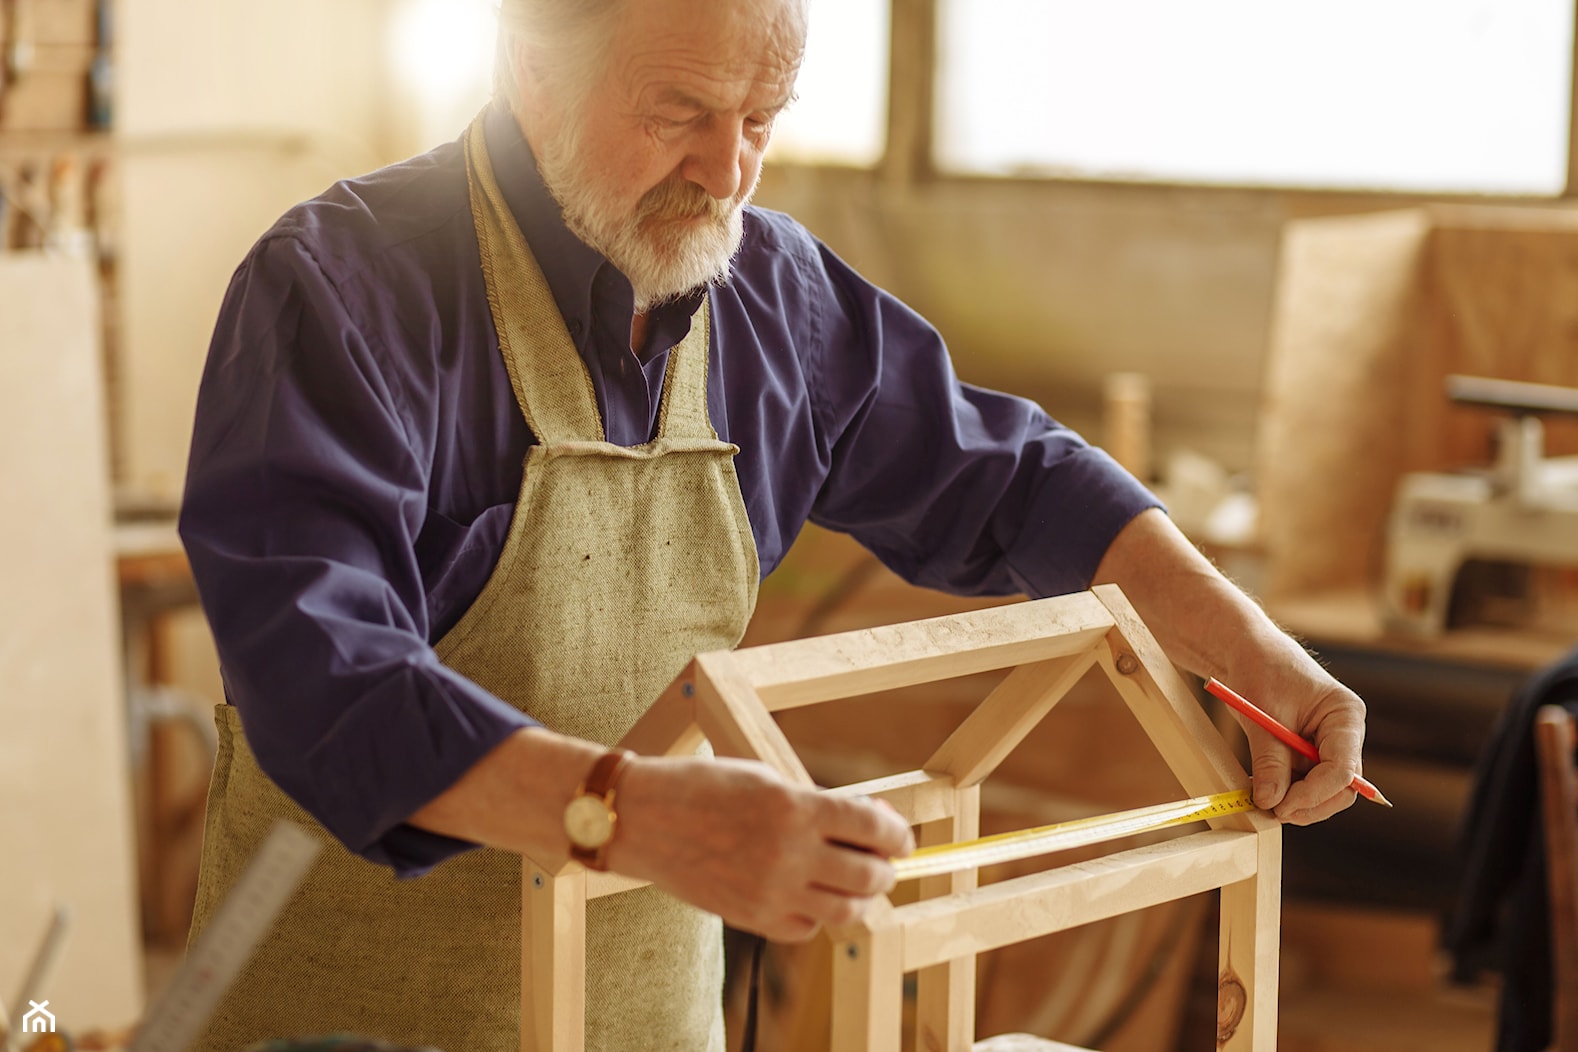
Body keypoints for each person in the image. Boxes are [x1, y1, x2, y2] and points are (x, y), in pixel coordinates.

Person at [177, 0, 1369, 1049]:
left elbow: (1021, 479)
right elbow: (323, 677)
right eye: (680, 109)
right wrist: (629, 813)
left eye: (763, 116)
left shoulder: (771, 299)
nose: (728, 169)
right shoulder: (337, 290)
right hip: (345, 1022)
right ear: (529, 60)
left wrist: (1252, 649)